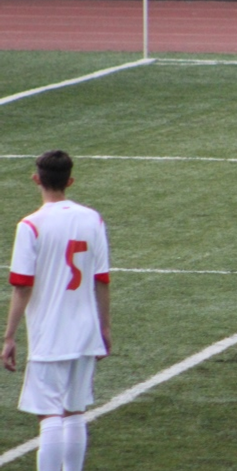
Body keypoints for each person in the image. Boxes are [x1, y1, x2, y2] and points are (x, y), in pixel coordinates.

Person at [3, 150, 112, 471]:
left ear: (36, 179)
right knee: (74, 412)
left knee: (49, 415)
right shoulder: (92, 219)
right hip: (85, 331)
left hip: (49, 334)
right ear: (70, 181)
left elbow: (22, 286)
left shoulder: (30, 225)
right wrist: (104, 328)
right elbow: (102, 280)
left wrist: (9, 337)